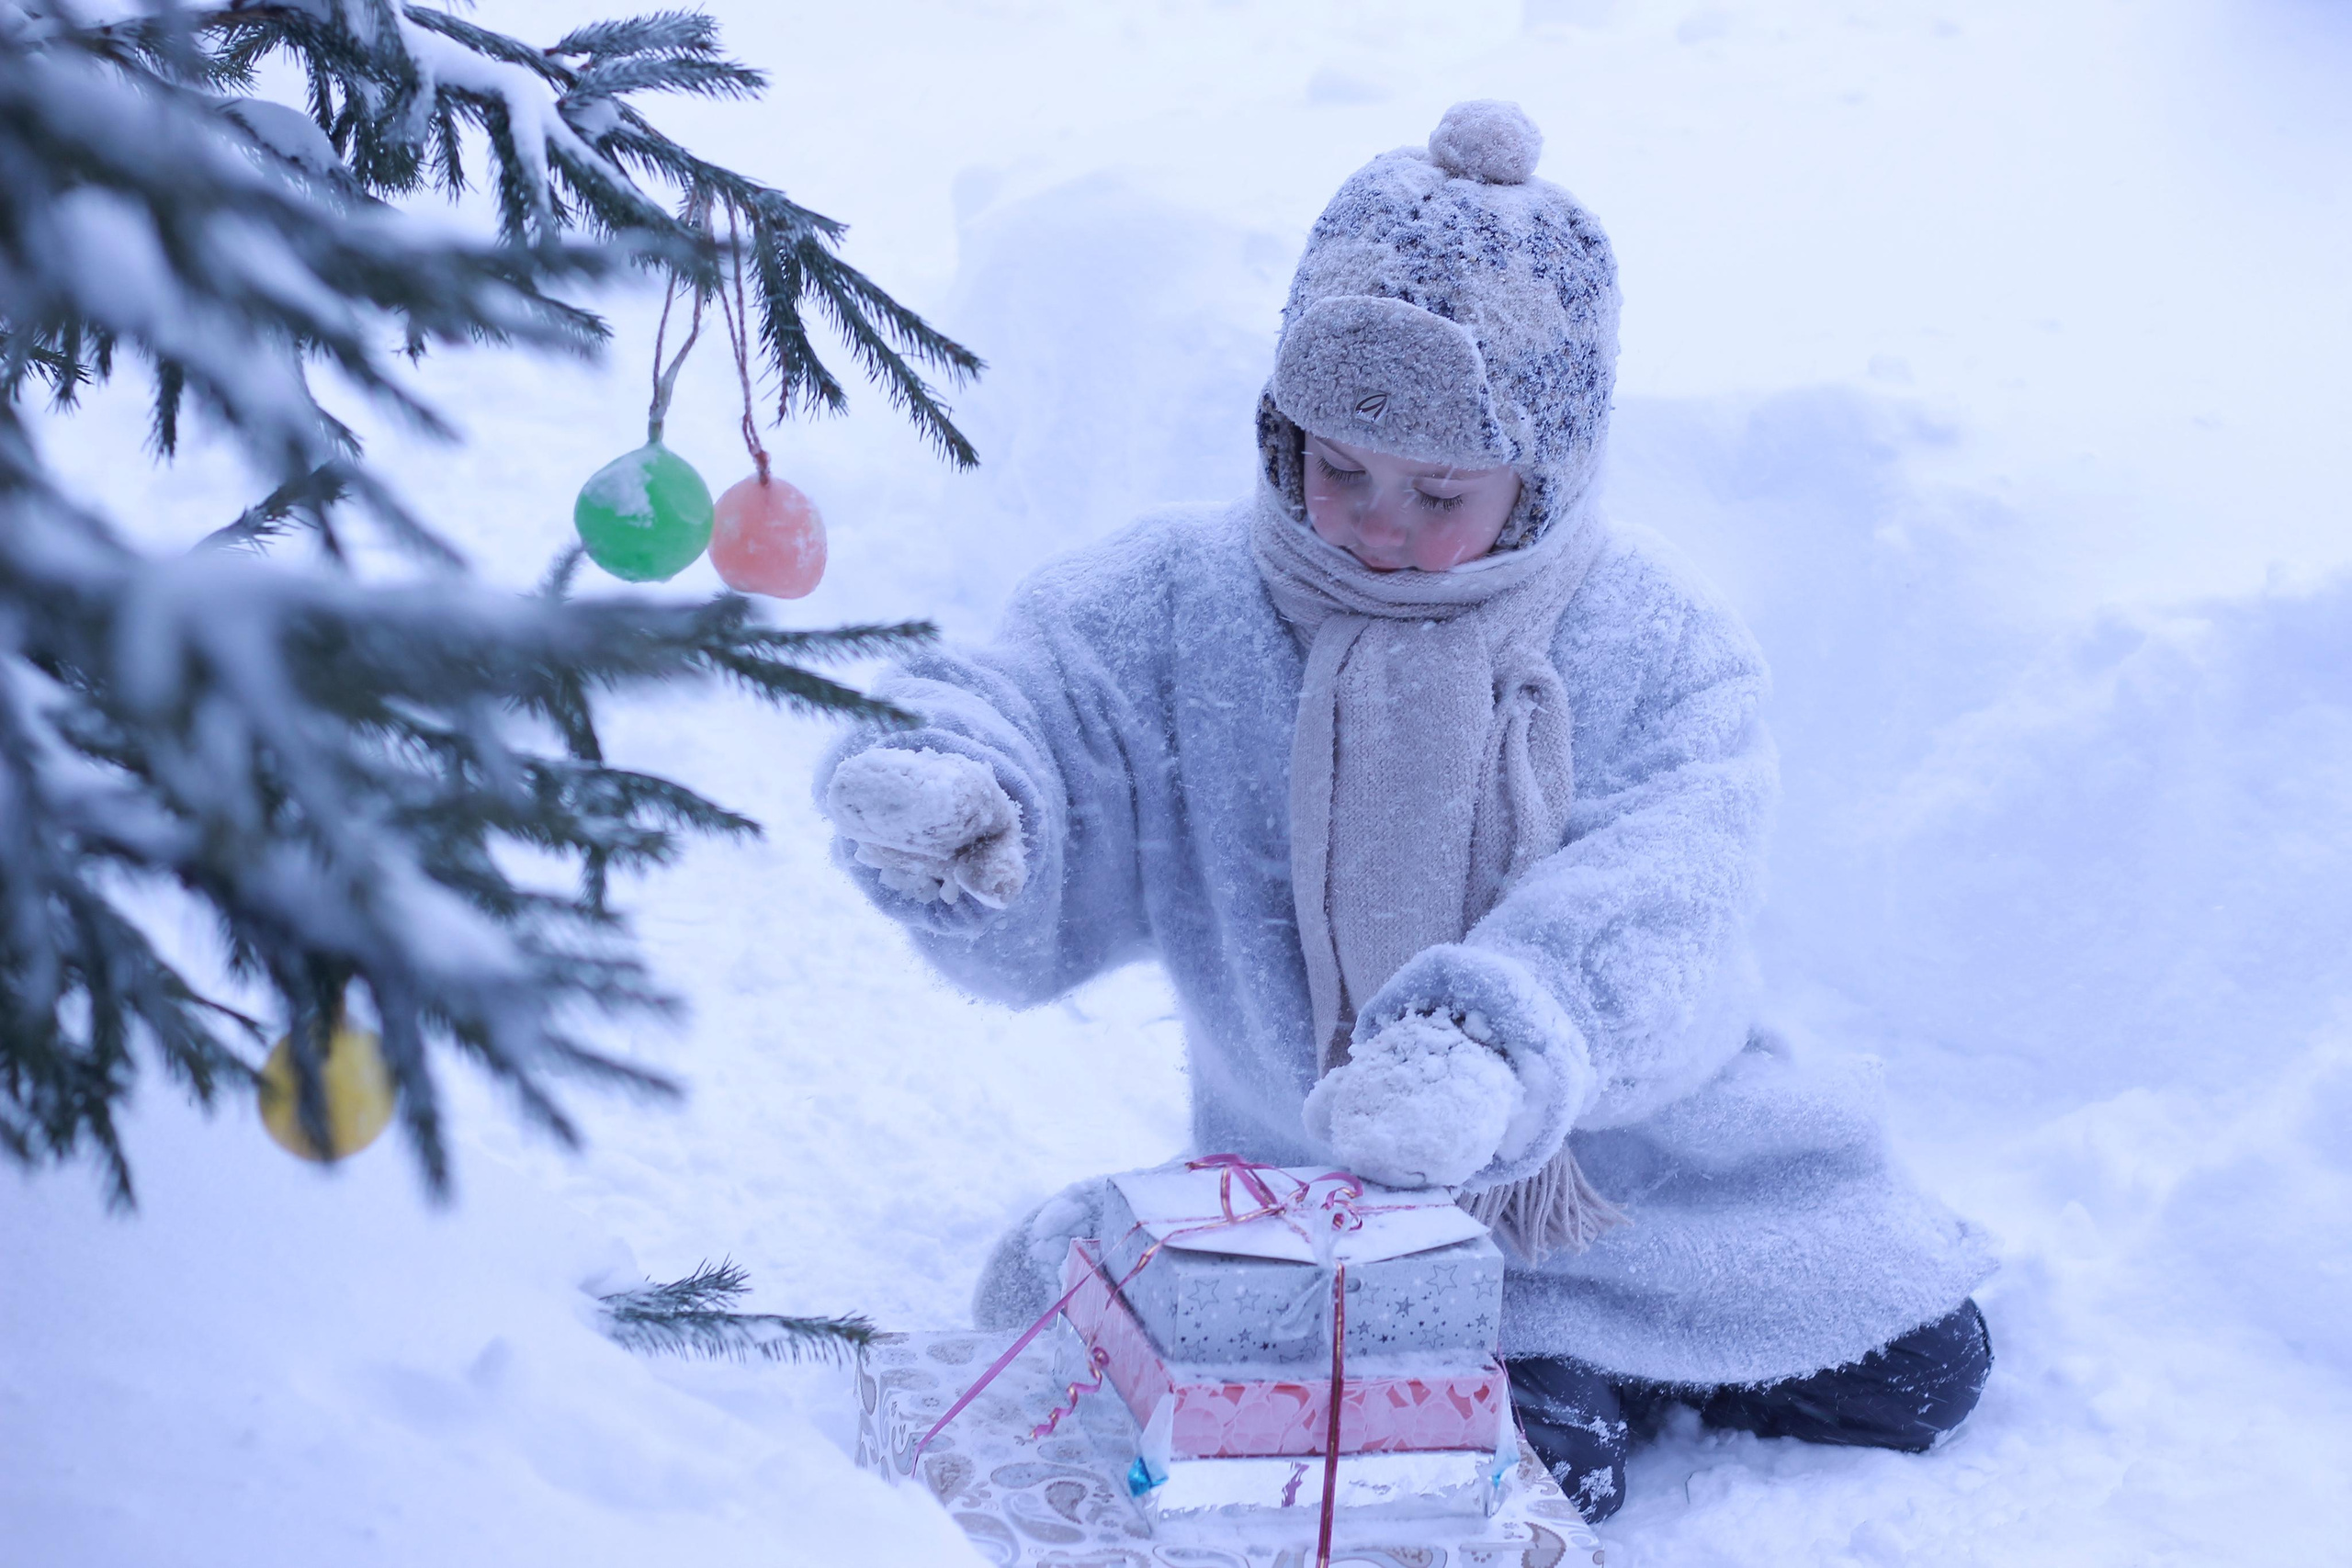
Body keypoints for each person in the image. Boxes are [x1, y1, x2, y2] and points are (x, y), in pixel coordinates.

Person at [817, 101, 1995, 1522]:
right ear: (1280, 430)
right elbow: (1045, 714)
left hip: (1636, 1177)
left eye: (1440, 488)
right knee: (1479, 1475)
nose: (1374, 520)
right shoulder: (1179, 601)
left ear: (1542, 473)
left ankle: (1569, 1337)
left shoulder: (1658, 640)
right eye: (1338, 466)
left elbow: (1662, 899)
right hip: (1328, 1198)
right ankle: (1505, 1364)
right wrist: (968, 798)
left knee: (1932, 1367)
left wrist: (1493, 1048)